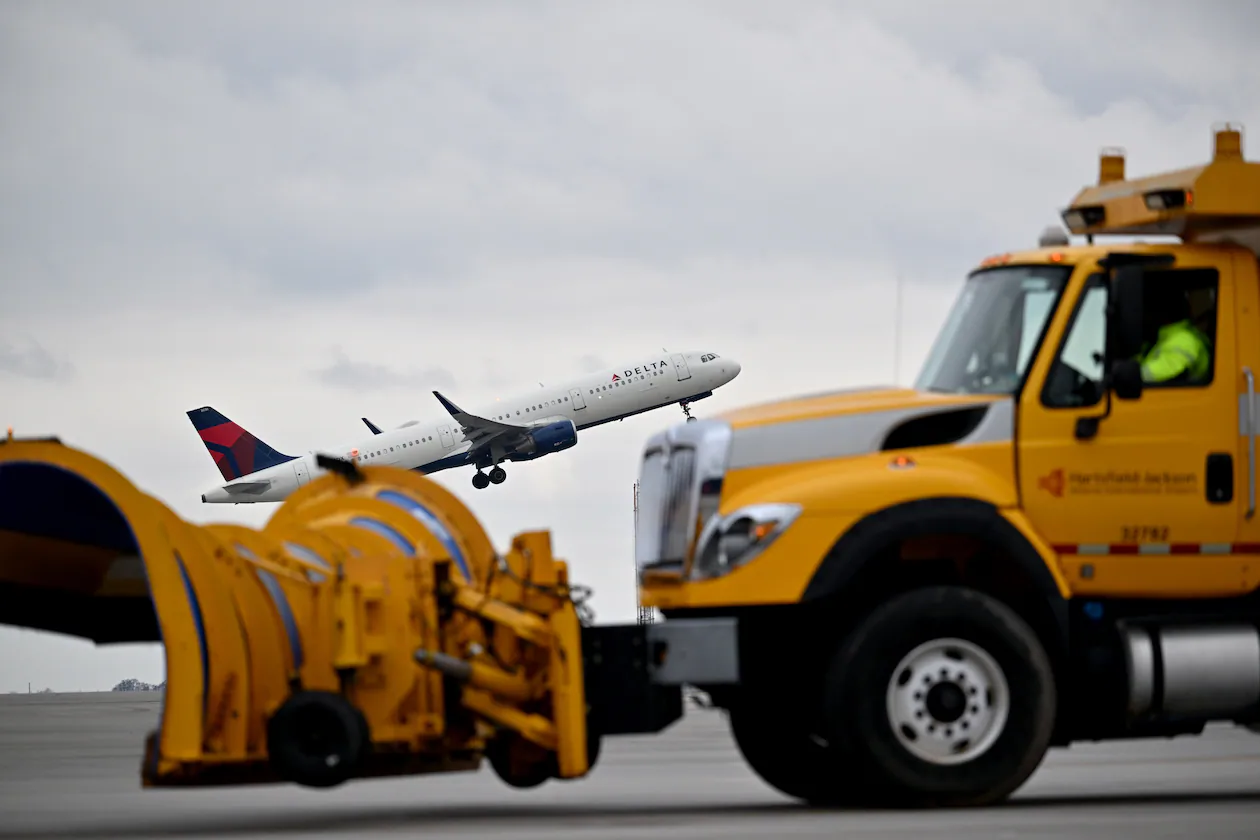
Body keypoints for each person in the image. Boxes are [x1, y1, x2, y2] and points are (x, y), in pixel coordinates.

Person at [1137, 283, 1211, 384]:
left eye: (1148, 309)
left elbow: (1159, 374)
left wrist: (1121, 377)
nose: (1144, 316)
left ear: (1162, 312)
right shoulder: (1162, 339)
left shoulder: (1184, 340)